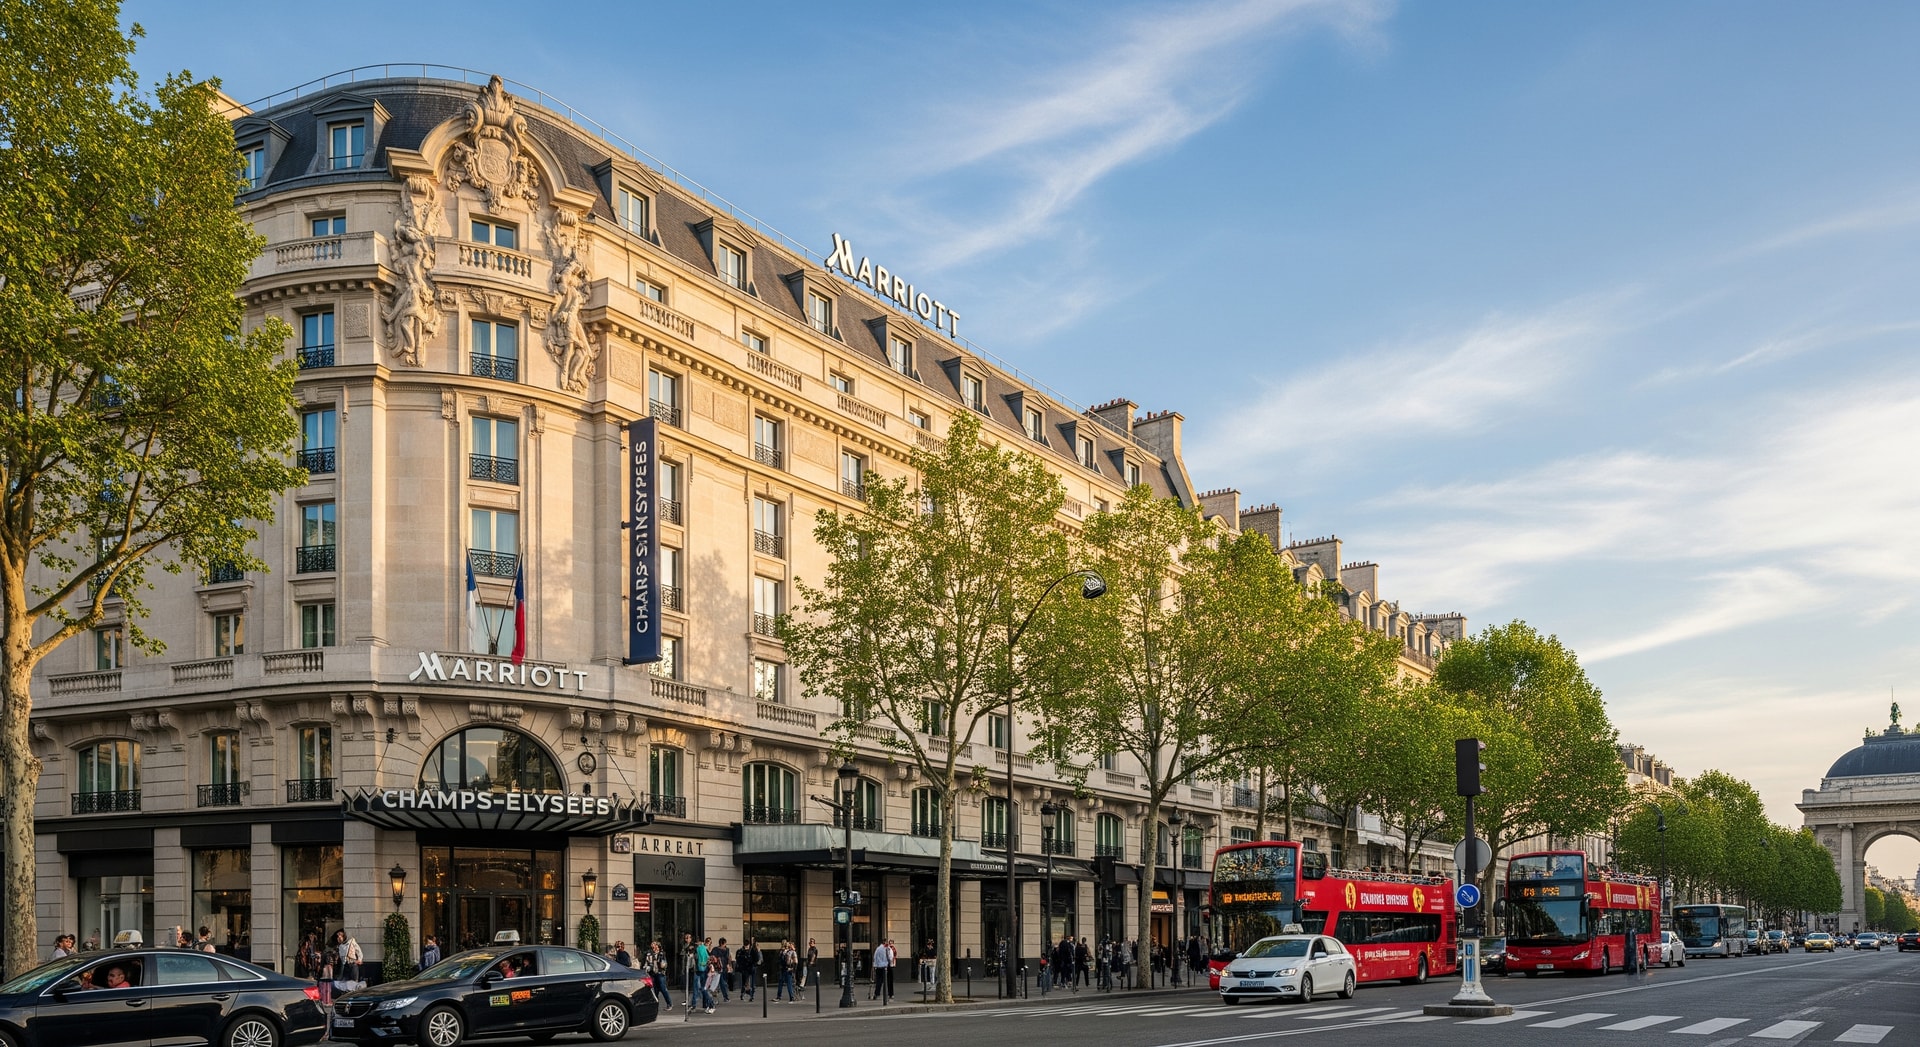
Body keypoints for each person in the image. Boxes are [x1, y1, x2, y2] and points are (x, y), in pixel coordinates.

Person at [645, 941, 671, 1007]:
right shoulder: (649, 954)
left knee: (663, 988)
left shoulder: (662, 954)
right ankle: (656, 1005)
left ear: (658, 947)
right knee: (655, 990)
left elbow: (665, 964)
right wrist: (646, 967)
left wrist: (663, 965)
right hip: (653, 973)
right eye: (652, 947)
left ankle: (669, 1003)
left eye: (655, 947)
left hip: (660, 973)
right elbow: (646, 963)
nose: (654, 949)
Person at [738, 937, 762, 1001]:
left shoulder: (742, 950)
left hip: (748, 968)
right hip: (749, 968)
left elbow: (738, 959)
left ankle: (747, 994)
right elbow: (756, 959)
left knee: (747, 982)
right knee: (749, 982)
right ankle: (749, 995)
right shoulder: (751, 950)